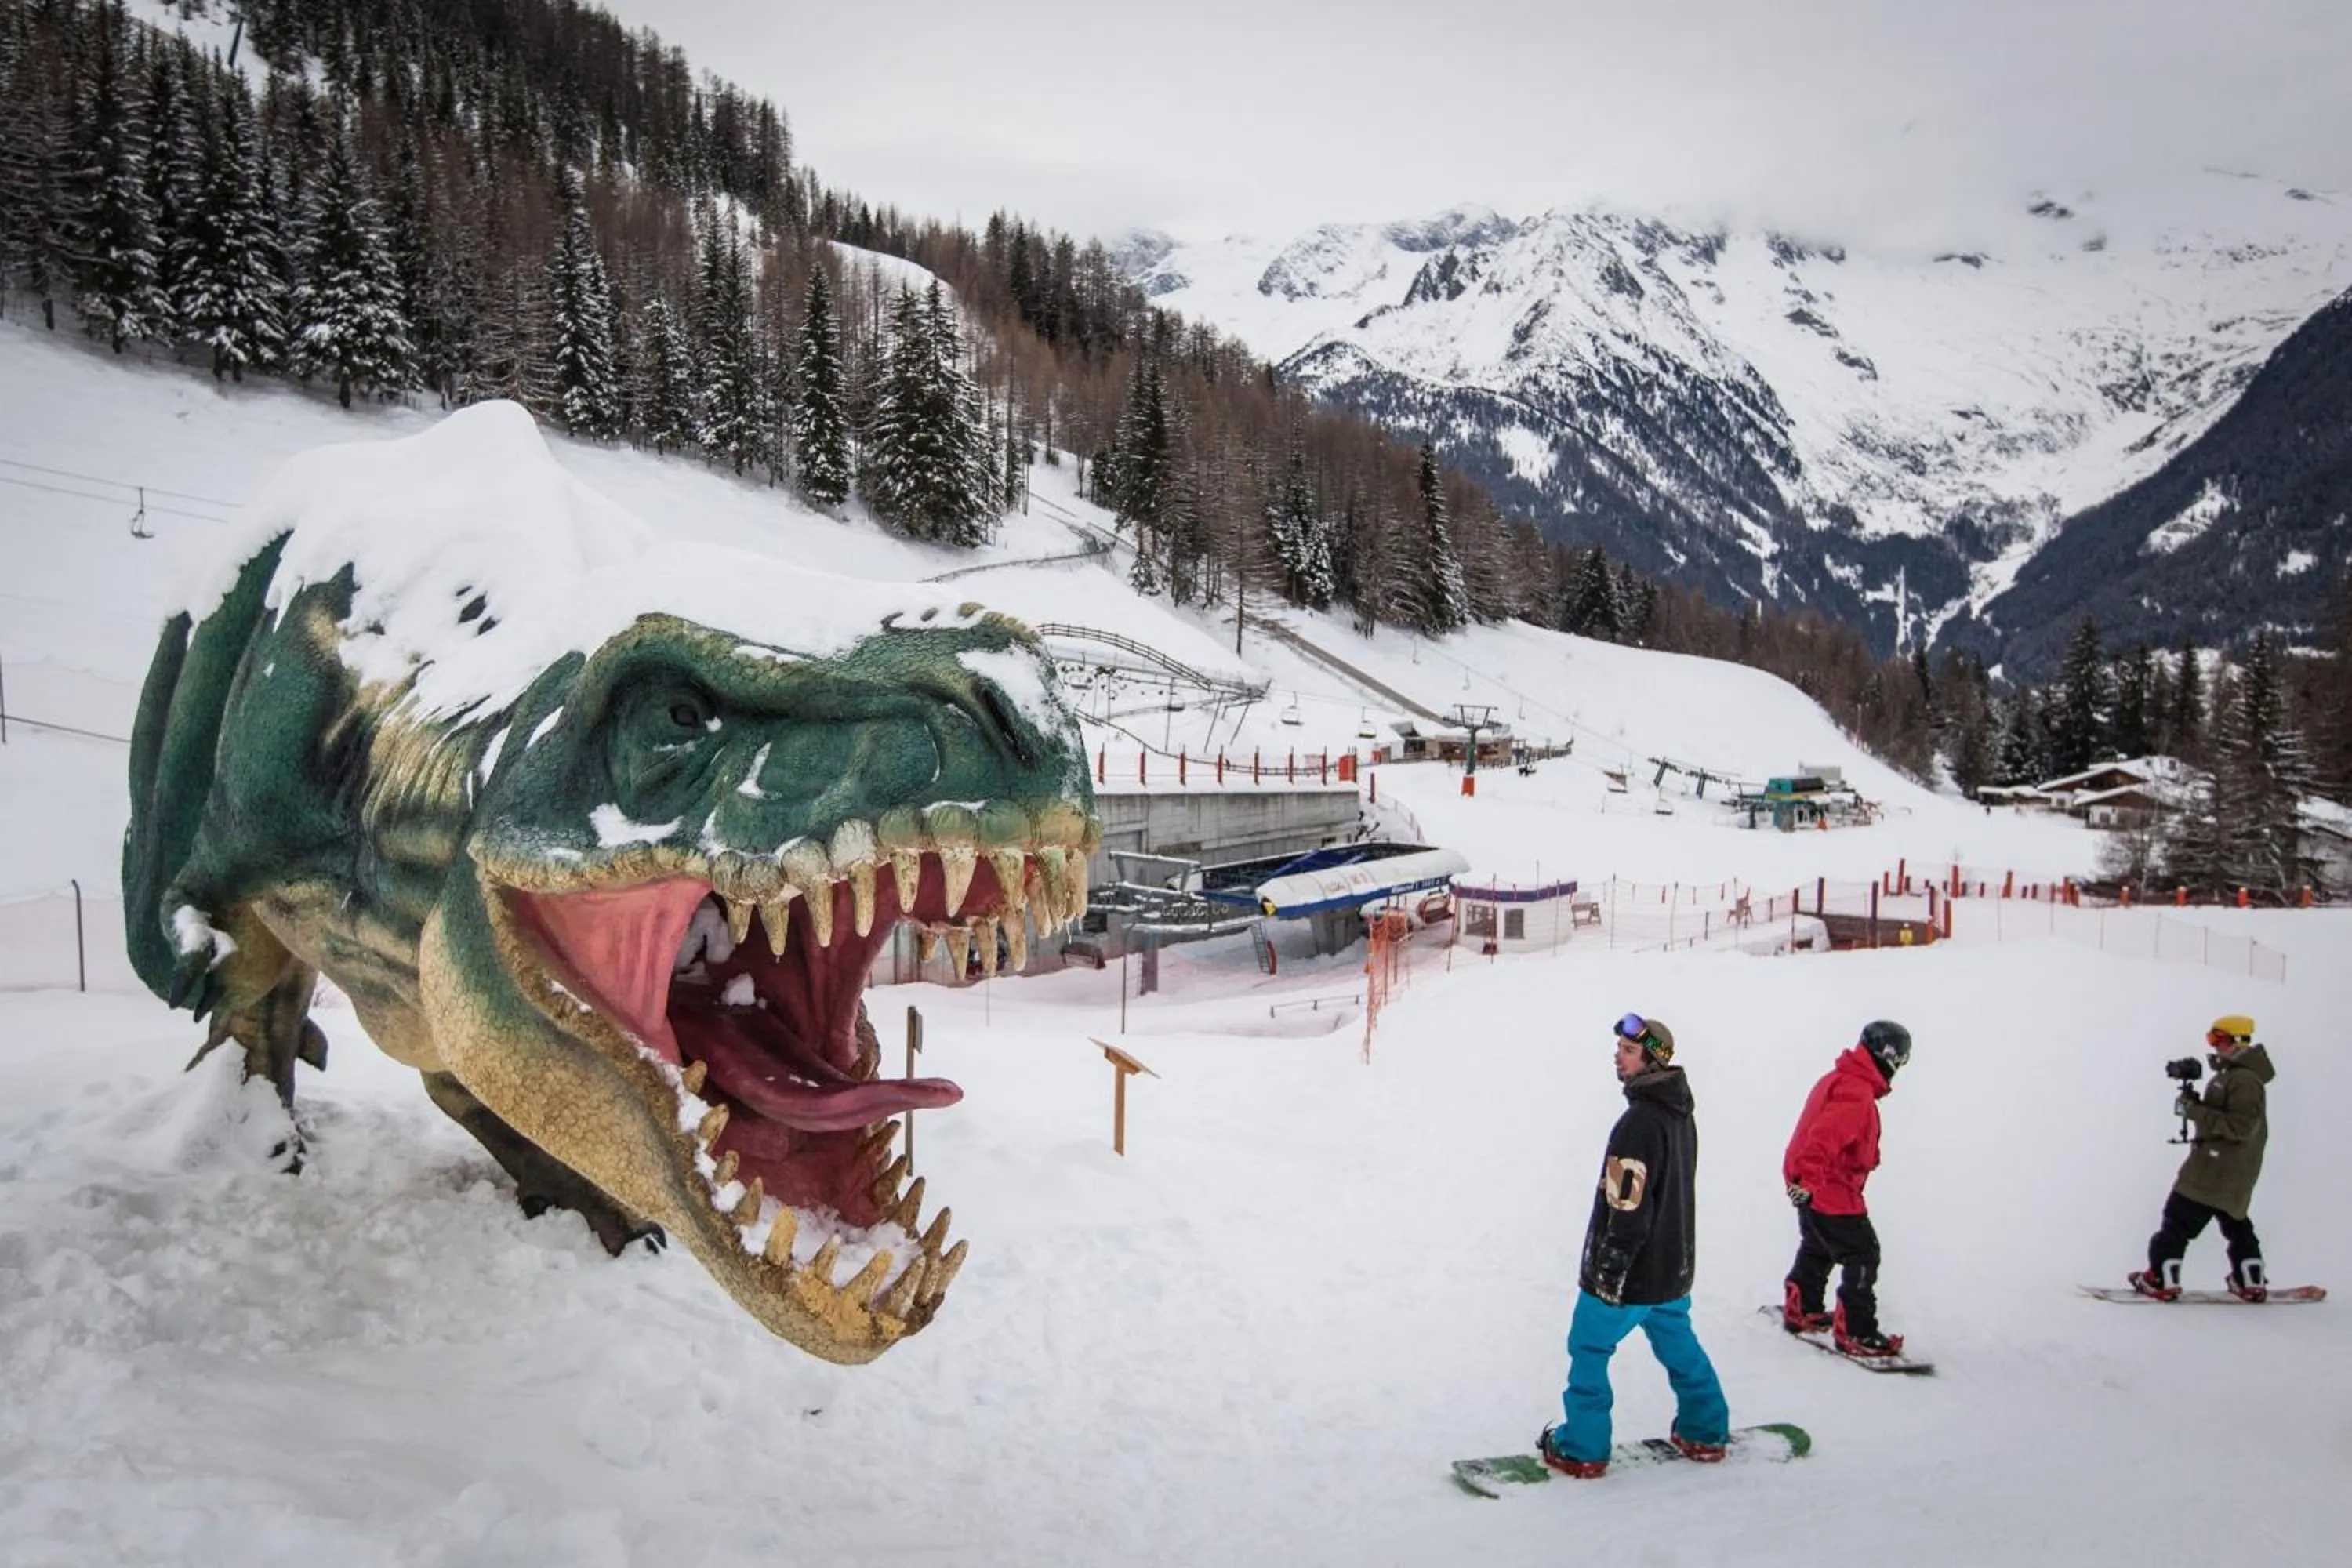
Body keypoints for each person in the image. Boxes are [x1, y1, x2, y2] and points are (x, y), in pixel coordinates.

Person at [1537, 1013, 1730, 1479]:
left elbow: (1627, 1206)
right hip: (1671, 1270)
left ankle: (1582, 1446)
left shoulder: (1639, 1124)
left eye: (1628, 1051)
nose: (1617, 1057)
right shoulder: (1680, 1113)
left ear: (1651, 1060)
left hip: (1631, 1275)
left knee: (1588, 1347)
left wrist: (1610, 1271)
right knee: (1680, 1347)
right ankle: (1705, 1429)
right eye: (1619, 1048)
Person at [1781, 1020, 1912, 1358]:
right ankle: (1857, 1329)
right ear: (1889, 1056)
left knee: (1819, 1244)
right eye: (1901, 1059)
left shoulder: (1842, 1078)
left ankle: (1803, 1305)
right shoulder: (1855, 1091)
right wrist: (1811, 1181)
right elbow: (1823, 1138)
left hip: (1809, 1182)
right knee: (1863, 1253)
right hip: (1827, 1186)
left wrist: (1804, 1183)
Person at [2128, 1014, 2274, 1302]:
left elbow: (2240, 1127)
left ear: (2240, 1041)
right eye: (2212, 1039)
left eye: (2219, 1039)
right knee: (2236, 1222)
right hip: (2232, 1169)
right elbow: (2228, 1120)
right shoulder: (2234, 1075)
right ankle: (2249, 1278)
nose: (2215, 1046)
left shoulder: (2244, 1079)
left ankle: (2159, 1278)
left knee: (2177, 1221)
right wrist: (2198, 1106)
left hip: (2215, 1167)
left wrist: (2195, 1112)